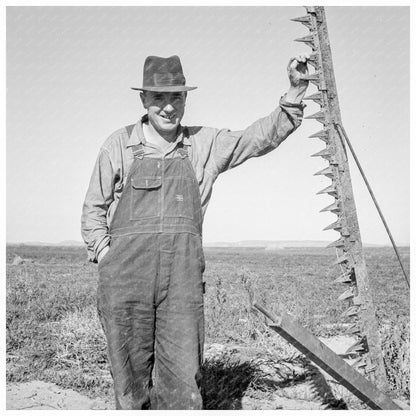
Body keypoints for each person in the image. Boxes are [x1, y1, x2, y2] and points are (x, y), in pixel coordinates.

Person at [81, 53, 309, 410]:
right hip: (125, 281)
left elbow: (257, 137)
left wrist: (296, 91)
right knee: (130, 382)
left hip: (181, 283)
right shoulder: (118, 145)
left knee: (183, 382)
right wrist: (106, 255)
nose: (168, 108)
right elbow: (93, 208)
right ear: (143, 99)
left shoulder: (204, 144)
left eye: (176, 98)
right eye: (159, 98)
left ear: (186, 99)